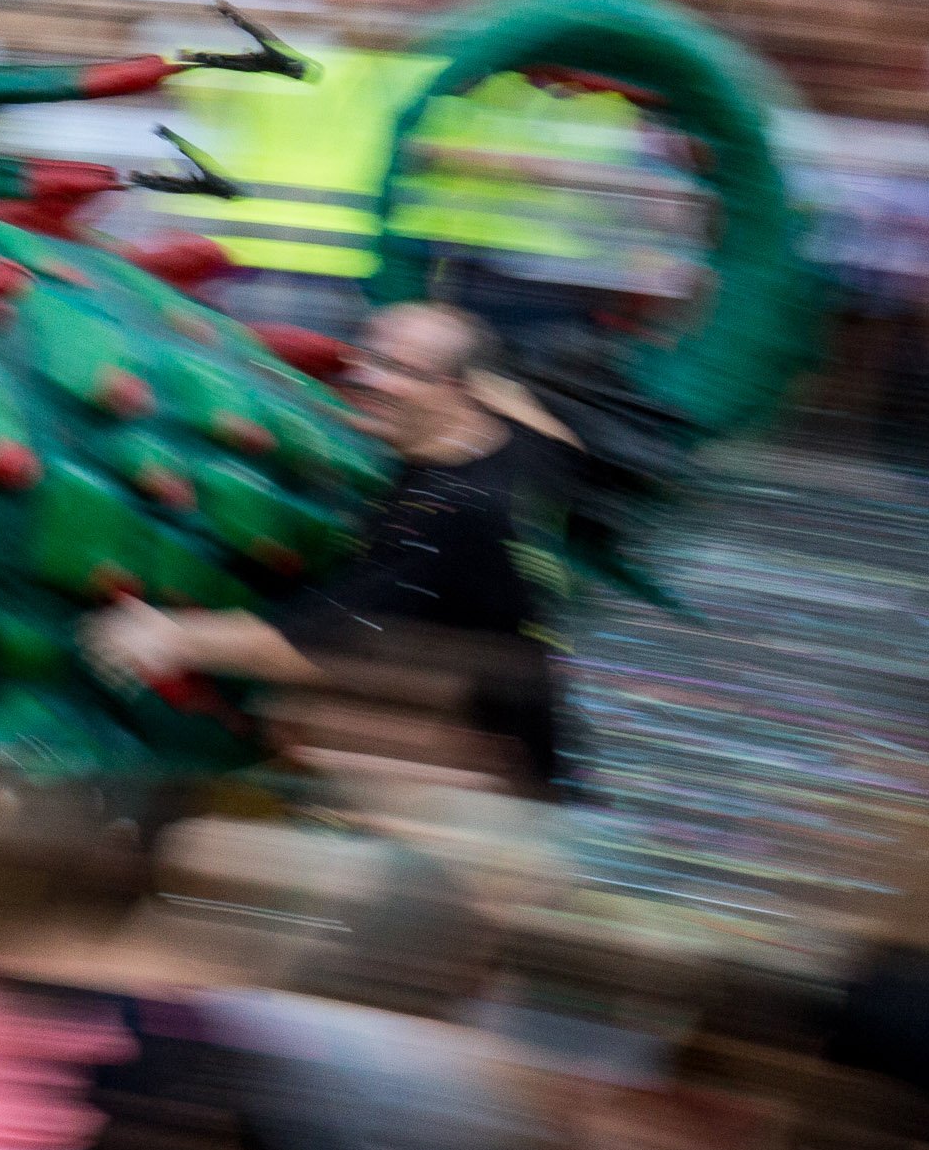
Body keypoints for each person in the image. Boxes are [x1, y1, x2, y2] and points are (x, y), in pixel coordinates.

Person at [84, 301, 581, 796]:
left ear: (454, 390)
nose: (367, 379)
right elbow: (552, 430)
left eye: (396, 370)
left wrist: (171, 636)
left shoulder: (452, 517)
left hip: (488, 781)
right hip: (502, 725)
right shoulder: (521, 446)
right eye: (365, 359)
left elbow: (320, 642)